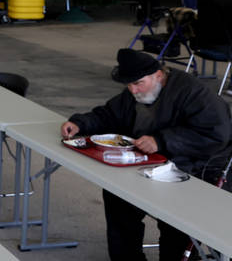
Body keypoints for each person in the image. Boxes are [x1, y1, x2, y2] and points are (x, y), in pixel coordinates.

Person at [61, 49, 232, 261]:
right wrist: (80, 123)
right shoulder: (138, 91)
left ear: (159, 76)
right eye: (129, 85)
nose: (133, 90)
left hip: (200, 166)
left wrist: (161, 141)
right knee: (117, 195)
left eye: (138, 83)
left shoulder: (193, 93)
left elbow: (217, 134)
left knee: (174, 216)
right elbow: (110, 114)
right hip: (153, 163)